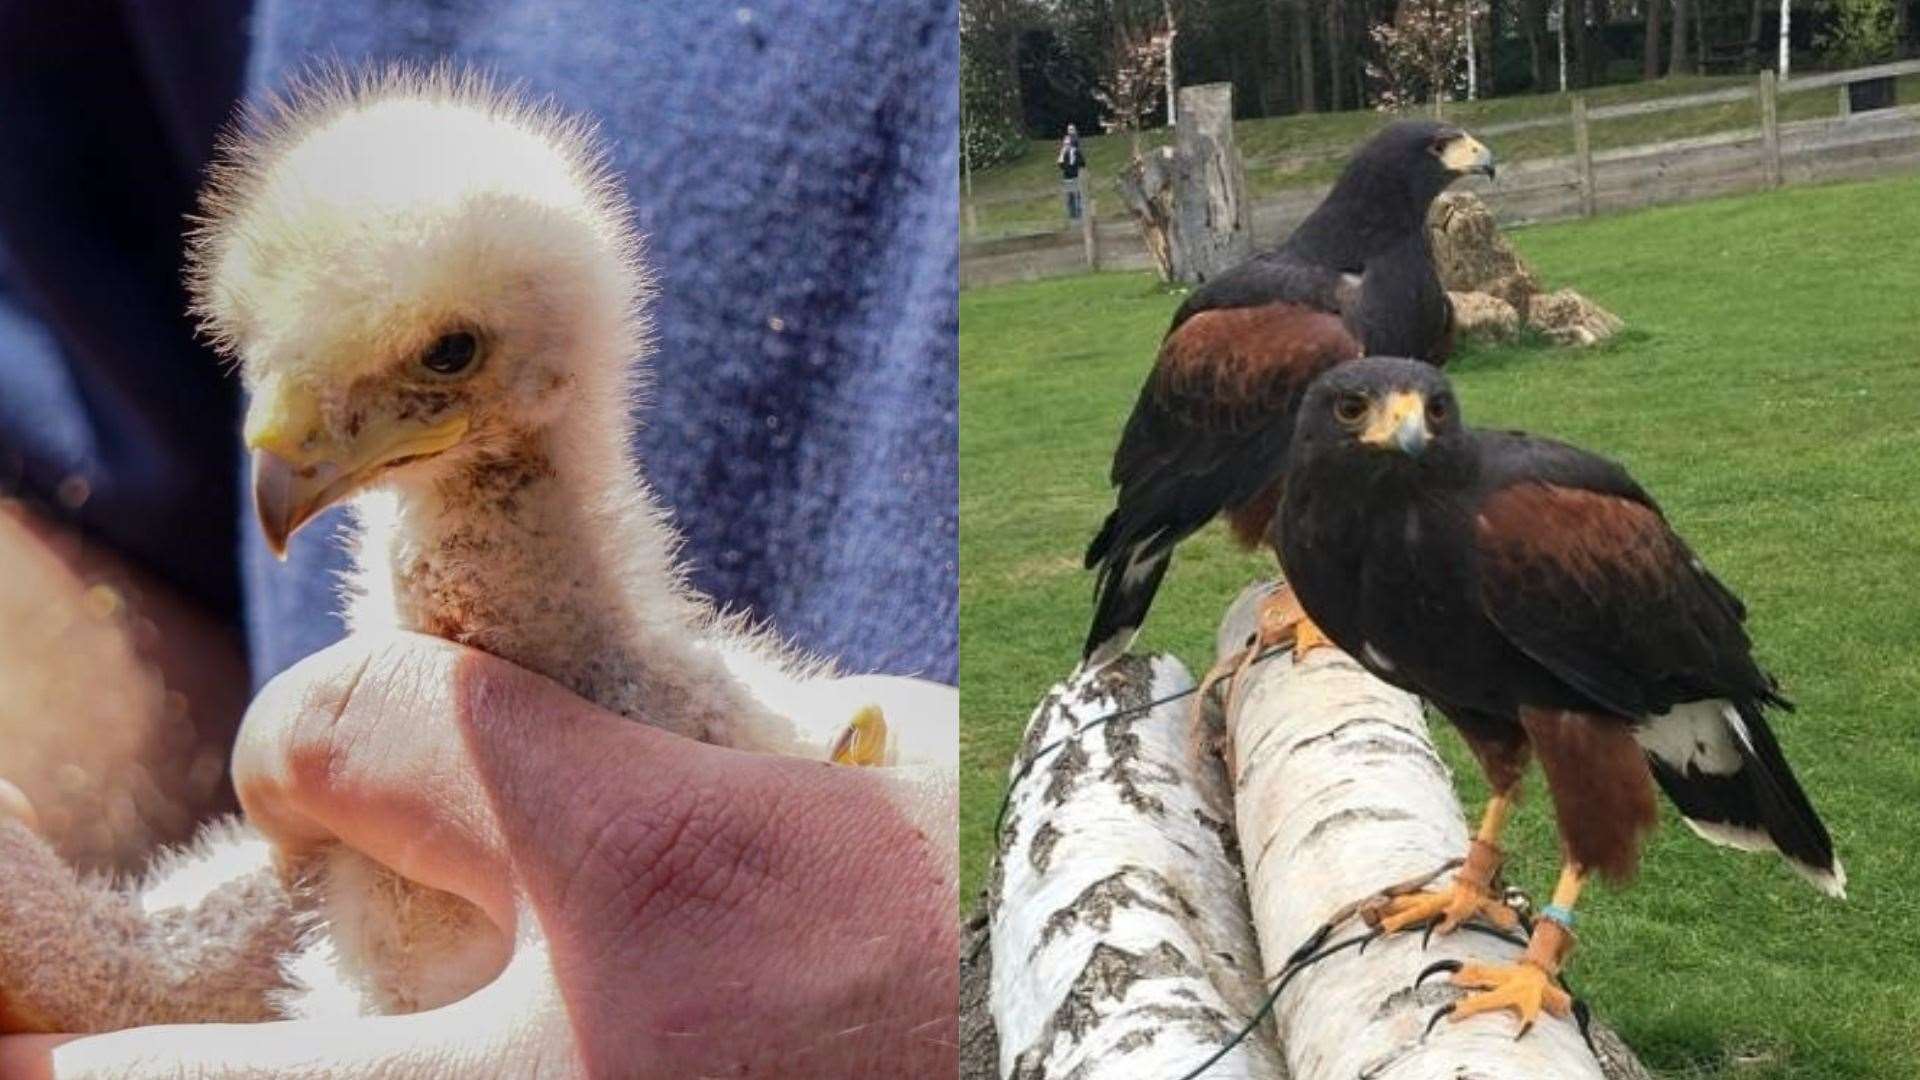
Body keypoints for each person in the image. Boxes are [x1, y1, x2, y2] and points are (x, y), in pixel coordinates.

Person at [0, 0, 957, 1074]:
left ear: (563, 356)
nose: (284, 457)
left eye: (444, 358)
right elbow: (93, 492)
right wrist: (66, 951)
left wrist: (981, 949)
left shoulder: (737, 740)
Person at [1058, 124, 1087, 221]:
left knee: (1078, 195)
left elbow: (1082, 163)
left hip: (1076, 176)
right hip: (1067, 178)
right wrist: (1062, 154)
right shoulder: (1064, 153)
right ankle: (1072, 216)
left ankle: (1080, 215)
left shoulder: (1076, 152)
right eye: (1064, 144)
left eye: (1067, 143)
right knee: (1070, 196)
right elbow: (1061, 165)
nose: (1065, 145)